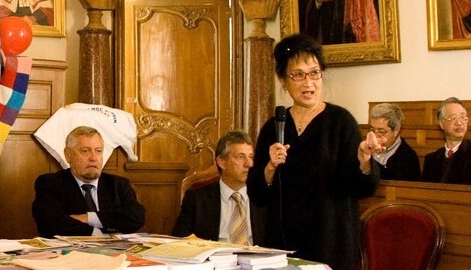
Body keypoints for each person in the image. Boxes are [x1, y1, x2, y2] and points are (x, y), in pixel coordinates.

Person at [247, 33, 383, 270]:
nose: (308, 82)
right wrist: (270, 167)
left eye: (314, 72)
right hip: (282, 246)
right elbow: (257, 194)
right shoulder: (273, 127)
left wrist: (363, 159)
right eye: (298, 75)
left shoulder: (341, 122)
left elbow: (363, 189)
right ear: (283, 80)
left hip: (330, 244)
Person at [31, 125, 145, 237]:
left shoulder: (118, 184)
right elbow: (49, 224)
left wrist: (88, 218)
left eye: (98, 151)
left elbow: (136, 217)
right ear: (68, 155)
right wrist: (99, 234)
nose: (94, 158)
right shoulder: (50, 184)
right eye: (85, 151)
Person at [171, 131, 265, 245]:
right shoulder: (197, 198)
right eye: (241, 157)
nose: (249, 164)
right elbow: (179, 240)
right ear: (221, 162)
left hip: (258, 260)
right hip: (215, 260)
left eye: (251, 157)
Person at [422, 97, 471, 184]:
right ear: (441, 124)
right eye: (453, 118)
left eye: (463, 118)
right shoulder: (431, 160)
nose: (459, 123)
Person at [368, 103, 421, 181]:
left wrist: (367, 162)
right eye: (372, 130)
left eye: (381, 131)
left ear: (396, 130)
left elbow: (394, 187)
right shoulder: (365, 148)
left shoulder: (408, 157)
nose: (375, 136)